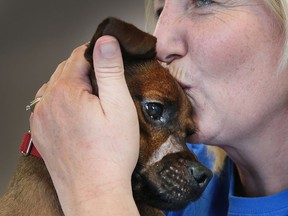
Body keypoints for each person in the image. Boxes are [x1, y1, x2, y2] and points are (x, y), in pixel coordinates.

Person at [29, 0, 288, 215]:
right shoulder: (163, 178)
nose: (160, 42)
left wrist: (96, 194)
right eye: (159, 11)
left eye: (205, 1)